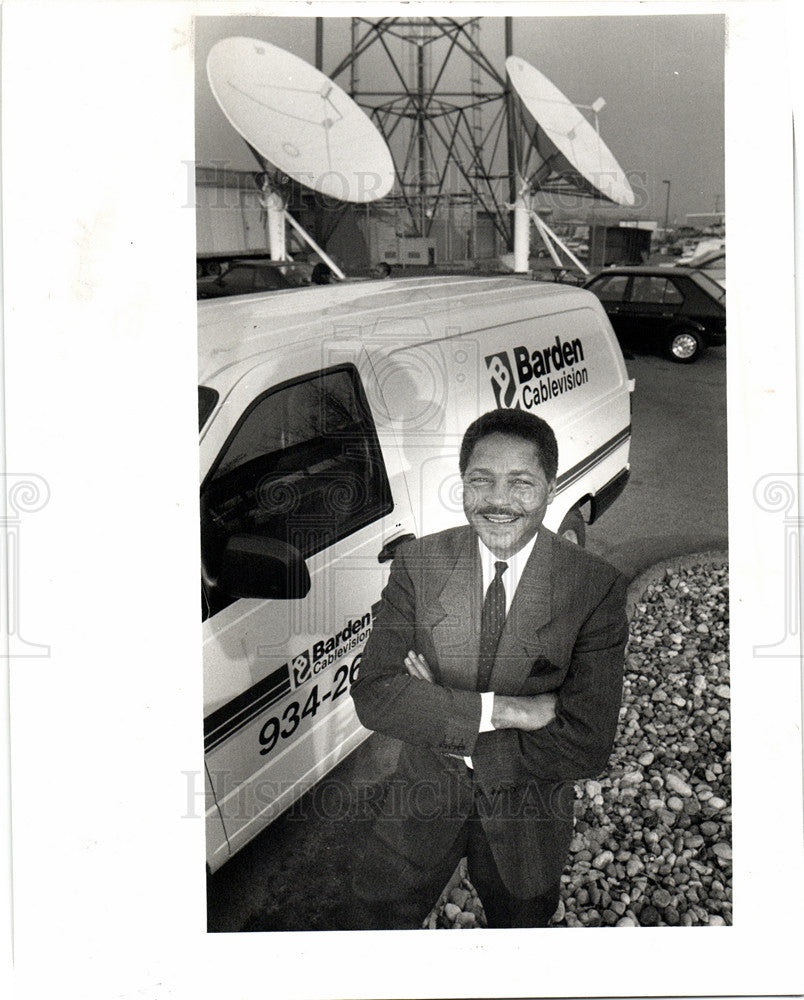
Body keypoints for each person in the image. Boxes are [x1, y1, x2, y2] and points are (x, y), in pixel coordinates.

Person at [349, 408, 628, 929]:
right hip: (421, 803)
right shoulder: (420, 564)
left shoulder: (595, 588)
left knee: (519, 929)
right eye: (482, 480)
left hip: (527, 819)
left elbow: (588, 742)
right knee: (377, 923)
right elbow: (376, 695)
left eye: (521, 483)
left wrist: (439, 712)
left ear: (551, 486)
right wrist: (505, 710)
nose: (498, 500)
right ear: (463, 485)